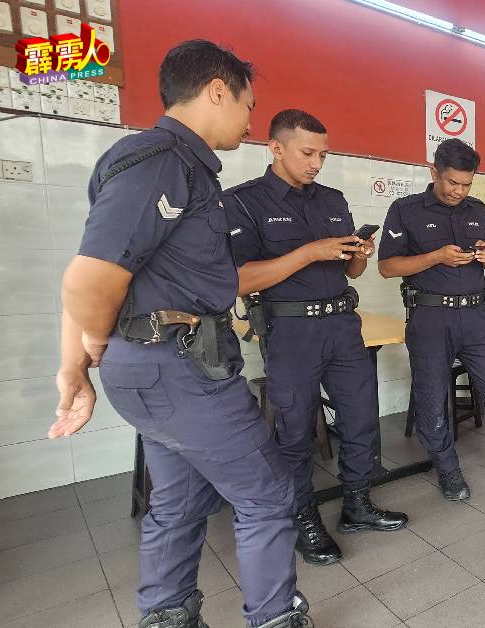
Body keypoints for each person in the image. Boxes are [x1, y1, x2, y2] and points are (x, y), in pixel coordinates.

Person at [50, 41, 311, 628]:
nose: (249, 118)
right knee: (267, 493)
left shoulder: (159, 163)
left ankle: (167, 614)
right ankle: (275, 618)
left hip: (156, 368)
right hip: (178, 370)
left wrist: (86, 357)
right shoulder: (164, 161)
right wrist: (84, 352)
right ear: (218, 89)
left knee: (179, 499)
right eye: (249, 104)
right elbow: (88, 280)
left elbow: (99, 266)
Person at [225, 109, 408, 567]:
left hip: (342, 326)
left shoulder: (332, 199)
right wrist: (310, 252)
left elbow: (350, 269)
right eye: (308, 152)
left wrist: (359, 253)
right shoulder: (244, 203)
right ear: (276, 148)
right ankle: (304, 519)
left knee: (362, 419)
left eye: (322, 154)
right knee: (295, 432)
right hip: (290, 332)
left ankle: (357, 504)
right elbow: (240, 280)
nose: (316, 163)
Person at [377, 139, 485, 500]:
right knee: (432, 399)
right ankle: (447, 468)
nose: (458, 191)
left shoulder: (477, 210)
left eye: (466, 184)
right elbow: (387, 267)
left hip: (477, 318)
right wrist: (435, 257)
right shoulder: (406, 210)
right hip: (430, 318)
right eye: (452, 183)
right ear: (434, 172)